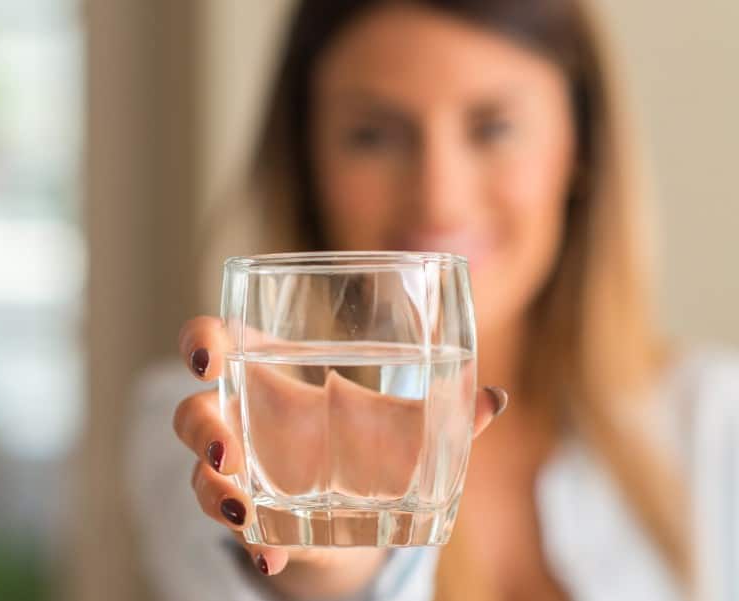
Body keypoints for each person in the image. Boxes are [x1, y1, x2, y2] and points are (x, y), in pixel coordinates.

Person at [125, 1, 739, 600]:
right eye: (373, 136)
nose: (438, 198)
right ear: (308, 160)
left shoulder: (713, 420)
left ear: (581, 144)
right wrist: (331, 562)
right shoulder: (210, 422)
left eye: (493, 128)